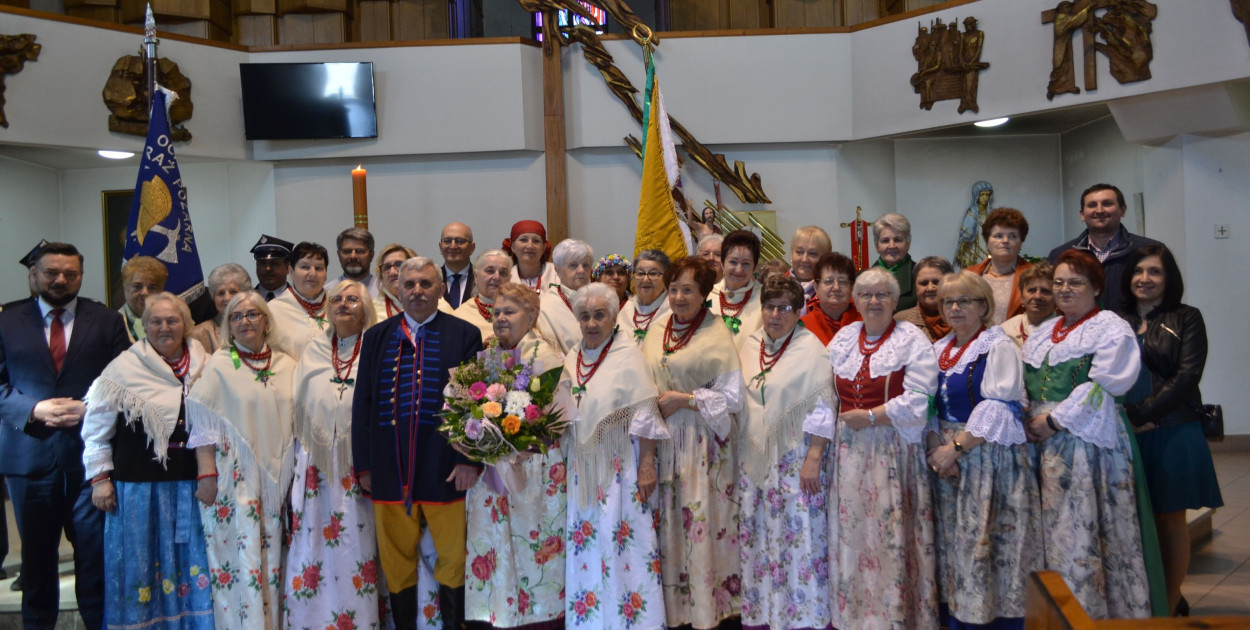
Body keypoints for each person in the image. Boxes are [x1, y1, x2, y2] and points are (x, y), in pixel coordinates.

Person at [0, 242, 130, 630]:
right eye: (51, 272)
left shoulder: (106, 320)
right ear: (34, 274)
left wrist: (93, 410)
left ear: (80, 275)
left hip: (91, 462)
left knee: (95, 561)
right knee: (37, 565)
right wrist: (32, 409)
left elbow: (127, 383)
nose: (60, 280)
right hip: (30, 459)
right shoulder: (6, 320)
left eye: (70, 274)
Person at [352, 257, 483, 630]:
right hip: (388, 467)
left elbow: (476, 404)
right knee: (395, 560)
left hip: (445, 465)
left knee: (453, 556)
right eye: (409, 285)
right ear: (397, 288)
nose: (417, 292)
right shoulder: (376, 337)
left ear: (440, 288)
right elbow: (363, 402)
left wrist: (469, 460)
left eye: (426, 284)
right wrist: (364, 465)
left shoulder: (464, 334)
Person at [1021, 249, 1153, 619]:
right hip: (1039, 445)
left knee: (1080, 532)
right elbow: (1025, 382)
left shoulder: (1110, 327)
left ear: (1096, 287)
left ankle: (1090, 614)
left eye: (1075, 283)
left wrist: (1053, 421)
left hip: (1085, 444)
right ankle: (1053, 614)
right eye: (1058, 282)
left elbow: (1103, 386)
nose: (1064, 290)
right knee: (1049, 534)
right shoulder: (1046, 330)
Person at [82, 292, 214, 630]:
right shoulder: (123, 368)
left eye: (173, 320)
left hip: (191, 487)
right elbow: (96, 428)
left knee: (192, 566)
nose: (164, 327)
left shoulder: (206, 364)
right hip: (138, 492)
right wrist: (100, 479)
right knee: (142, 570)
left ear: (186, 324)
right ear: (144, 325)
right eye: (155, 321)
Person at [925, 272, 1042, 630]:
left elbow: (1001, 402)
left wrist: (955, 449)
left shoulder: (998, 344)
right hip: (945, 456)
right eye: (947, 302)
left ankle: (995, 622)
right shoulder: (939, 349)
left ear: (983, 305)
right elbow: (927, 405)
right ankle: (959, 618)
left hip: (986, 455)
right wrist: (936, 448)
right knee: (952, 543)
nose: (955, 308)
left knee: (988, 542)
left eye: (965, 301)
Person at [825, 267, 939, 630]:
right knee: (853, 530)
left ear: (894, 300)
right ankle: (855, 614)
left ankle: (894, 616)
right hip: (848, 451)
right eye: (866, 295)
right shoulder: (844, 337)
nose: (874, 301)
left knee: (891, 530)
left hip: (892, 448)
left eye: (883, 295)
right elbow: (822, 391)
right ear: (855, 301)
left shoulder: (911, 339)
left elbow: (921, 399)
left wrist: (873, 416)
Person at [640, 257, 743, 629]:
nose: (679, 297)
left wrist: (686, 400)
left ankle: (707, 613)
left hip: (702, 444)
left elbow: (733, 399)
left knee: (700, 523)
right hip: (664, 440)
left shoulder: (717, 332)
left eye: (688, 290)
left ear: (704, 295)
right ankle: (674, 614)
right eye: (674, 289)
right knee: (668, 526)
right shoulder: (657, 328)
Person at [1120, 244, 1223, 617]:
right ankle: (1145, 597)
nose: (1144, 279)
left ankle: (1170, 601)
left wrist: (1144, 413)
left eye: (1155, 272)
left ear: (1169, 279)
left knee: (1171, 519)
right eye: (1138, 272)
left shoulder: (1186, 317)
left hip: (1173, 429)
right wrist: (1129, 419)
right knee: (1132, 518)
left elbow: (1186, 377)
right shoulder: (1116, 319)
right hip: (1127, 430)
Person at [561, 282, 667, 629]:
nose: (592, 323)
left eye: (600, 315)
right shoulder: (574, 355)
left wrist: (648, 465)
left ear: (613, 317)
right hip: (581, 470)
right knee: (588, 546)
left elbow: (646, 414)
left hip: (621, 470)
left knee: (622, 548)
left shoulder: (627, 355)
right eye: (585, 316)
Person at [187, 291, 295, 629]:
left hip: (280, 481)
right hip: (235, 481)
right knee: (242, 560)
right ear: (228, 325)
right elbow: (202, 423)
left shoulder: (287, 364)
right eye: (237, 316)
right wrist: (206, 473)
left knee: (277, 560)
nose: (245, 321)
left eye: (252, 314)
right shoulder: (218, 365)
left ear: (266, 320)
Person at [464, 282, 567, 629]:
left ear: (532, 315)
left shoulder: (544, 355)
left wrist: (520, 443)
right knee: (499, 542)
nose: (500, 318)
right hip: (497, 463)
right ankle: (502, 610)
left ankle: (537, 616)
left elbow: (560, 418)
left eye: (509, 311)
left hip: (533, 467)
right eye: (495, 313)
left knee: (530, 542)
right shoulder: (492, 352)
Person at [285, 281, 386, 630]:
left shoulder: (379, 346)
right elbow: (299, 405)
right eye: (338, 299)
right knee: (315, 546)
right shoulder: (312, 350)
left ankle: (362, 620)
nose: (344, 305)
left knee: (359, 544)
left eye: (353, 299)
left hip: (363, 465)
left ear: (367, 308)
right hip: (318, 468)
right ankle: (313, 620)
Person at [738, 277, 835, 630]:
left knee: (798, 538)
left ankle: (802, 617)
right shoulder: (748, 345)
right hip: (756, 458)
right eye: (769, 307)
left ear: (799, 312)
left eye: (784, 308)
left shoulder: (812, 349)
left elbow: (825, 406)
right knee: (760, 536)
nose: (775, 315)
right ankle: (764, 614)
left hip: (797, 459)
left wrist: (814, 457)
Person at [1047, 183, 1162, 313]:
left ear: (1122, 210)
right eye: (1092, 205)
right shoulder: (1061, 255)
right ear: (1082, 214)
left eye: (1107, 203)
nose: (1099, 210)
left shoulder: (1148, 251)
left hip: (1136, 331)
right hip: (1079, 331)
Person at [964, 208, 1035, 324]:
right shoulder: (969, 276)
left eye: (1012, 236)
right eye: (998, 236)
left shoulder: (1035, 276)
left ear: (1021, 241)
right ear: (987, 241)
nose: (1005, 240)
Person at [269, 241, 330, 358]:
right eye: (305, 267)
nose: (312, 273)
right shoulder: (273, 310)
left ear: (326, 274)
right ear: (291, 272)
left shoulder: (338, 305)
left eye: (319, 268)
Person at [536, 239, 594, 355]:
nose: (581, 270)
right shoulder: (543, 305)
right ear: (558, 270)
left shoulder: (601, 299)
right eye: (573, 265)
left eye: (586, 265)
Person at [711, 229, 763, 345]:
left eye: (746, 263)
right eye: (733, 262)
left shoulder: (765, 298)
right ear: (723, 263)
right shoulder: (706, 295)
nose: (739, 269)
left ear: (754, 267)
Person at [800, 252, 861, 345]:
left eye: (843, 281)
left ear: (851, 287)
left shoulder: (865, 322)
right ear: (816, 287)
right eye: (828, 281)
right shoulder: (803, 327)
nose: (836, 287)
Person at [190, 263, 251, 356]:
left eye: (233, 292)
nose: (227, 298)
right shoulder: (199, 333)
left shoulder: (256, 327)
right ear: (213, 298)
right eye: (221, 293)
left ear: (246, 294)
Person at [453, 249, 512, 342]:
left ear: (509, 278)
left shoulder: (521, 311)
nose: (497, 277)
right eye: (490, 271)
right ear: (476, 276)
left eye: (503, 273)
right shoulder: (459, 317)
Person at [895, 256, 955, 342]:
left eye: (937, 282)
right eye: (924, 283)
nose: (930, 288)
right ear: (916, 287)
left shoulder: (966, 318)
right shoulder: (900, 321)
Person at [617, 249, 670, 344]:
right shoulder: (625, 310)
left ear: (666, 277)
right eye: (640, 273)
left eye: (653, 274)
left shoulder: (673, 310)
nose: (645, 279)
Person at [872, 213, 918, 312]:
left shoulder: (921, 277)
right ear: (876, 246)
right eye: (885, 241)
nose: (891, 246)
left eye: (898, 240)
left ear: (908, 244)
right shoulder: (860, 278)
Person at [1002, 263, 1056, 348]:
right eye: (1032, 290)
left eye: (1045, 291)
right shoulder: (1005, 330)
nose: (1037, 296)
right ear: (1022, 296)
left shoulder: (1067, 332)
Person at [118, 256, 168, 343]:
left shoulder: (173, 322)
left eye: (152, 287)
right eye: (137, 286)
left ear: (161, 291)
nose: (145, 293)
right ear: (125, 288)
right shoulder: (109, 325)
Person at [504, 220, 558, 294]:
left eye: (536, 241)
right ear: (513, 247)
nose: (530, 246)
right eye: (523, 240)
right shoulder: (504, 277)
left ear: (543, 248)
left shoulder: (558, 273)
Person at [327, 227, 379, 298]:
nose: (353, 256)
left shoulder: (384, 291)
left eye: (359, 251)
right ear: (338, 255)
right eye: (347, 251)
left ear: (371, 255)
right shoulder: (328, 292)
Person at [955, 181, 993, 269]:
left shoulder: (992, 213)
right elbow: (966, 232)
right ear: (976, 195)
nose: (985, 198)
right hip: (973, 246)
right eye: (982, 194)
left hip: (987, 246)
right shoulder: (971, 214)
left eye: (987, 195)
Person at [789, 225, 832, 304]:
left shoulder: (833, 292)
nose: (804, 259)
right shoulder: (774, 286)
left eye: (812, 254)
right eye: (799, 252)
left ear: (825, 259)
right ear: (792, 253)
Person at [374, 243, 418, 319]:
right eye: (387, 267)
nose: (392, 272)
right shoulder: (371, 311)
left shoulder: (433, 303)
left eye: (399, 264)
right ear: (382, 277)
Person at [440, 223, 477, 309]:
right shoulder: (431, 280)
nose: (453, 246)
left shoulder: (481, 280)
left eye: (460, 241)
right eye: (447, 241)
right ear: (440, 247)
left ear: (472, 248)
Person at [250, 234, 293, 302]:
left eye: (274, 264)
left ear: (288, 268)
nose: (268, 268)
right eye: (263, 263)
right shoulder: (247, 300)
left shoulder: (298, 300)